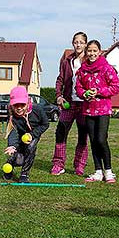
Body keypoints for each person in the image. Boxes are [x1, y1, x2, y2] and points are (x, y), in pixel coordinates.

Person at [76, 40, 119, 183]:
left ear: (100, 52)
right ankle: (98, 171)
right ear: (86, 52)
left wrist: (99, 91)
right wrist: (84, 94)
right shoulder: (82, 70)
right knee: (94, 141)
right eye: (89, 51)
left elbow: (116, 87)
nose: (92, 53)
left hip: (103, 110)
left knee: (101, 140)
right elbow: (78, 88)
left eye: (95, 51)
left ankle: (108, 171)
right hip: (88, 110)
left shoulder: (106, 68)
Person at [51, 32, 89, 176]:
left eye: (81, 42)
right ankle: (58, 164)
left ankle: (79, 166)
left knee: (82, 136)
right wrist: (59, 96)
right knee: (60, 132)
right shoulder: (67, 61)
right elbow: (60, 79)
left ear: (85, 44)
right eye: (76, 42)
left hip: (84, 104)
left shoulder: (89, 61)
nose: (78, 45)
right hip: (69, 102)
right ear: (73, 43)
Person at [3, 86, 49, 183]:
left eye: (22, 104)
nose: (19, 108)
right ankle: (9, 166)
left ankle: (24, 174)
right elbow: (12, 130)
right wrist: (12, 145)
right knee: (19, 159)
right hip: (20, 137)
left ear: (27, 102)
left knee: (30, 148)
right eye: (16, 105)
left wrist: (33, 134)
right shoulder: (11, 115)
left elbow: (45, 124)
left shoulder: (37, 110)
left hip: (33, 135)